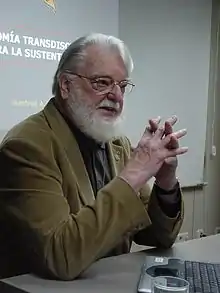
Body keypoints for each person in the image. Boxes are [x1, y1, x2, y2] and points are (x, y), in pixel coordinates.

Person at [0, 33, 188, 280]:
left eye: (122, 86)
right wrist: (135, 173)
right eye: (102, 83)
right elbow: (61, 257)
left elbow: (157, 235)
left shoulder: (116, 143)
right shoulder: (26, 146)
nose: (117, 97)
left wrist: (165, 182)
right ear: (66, 86)